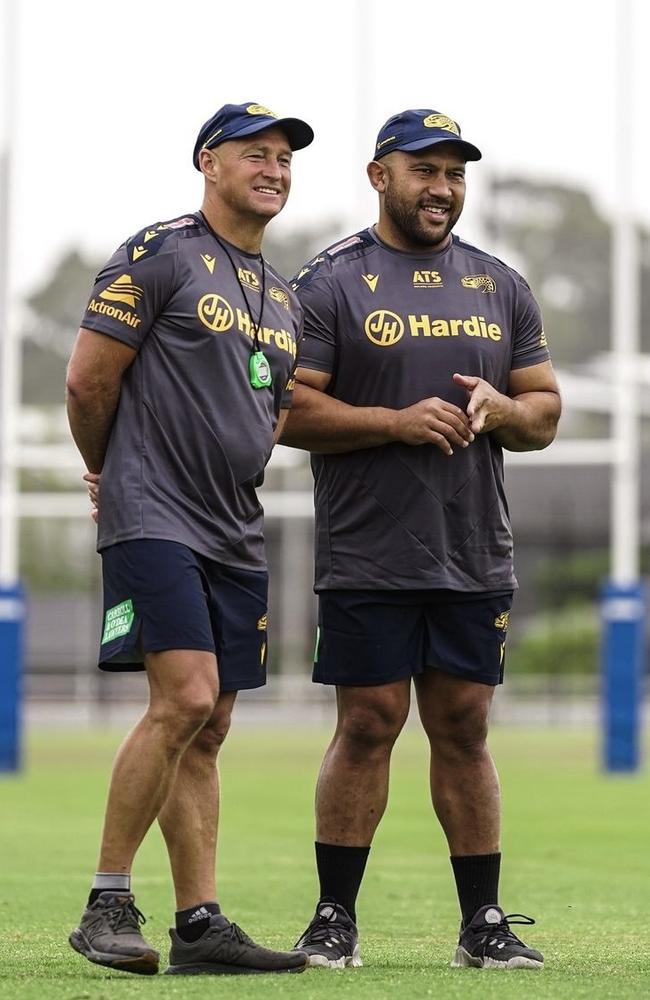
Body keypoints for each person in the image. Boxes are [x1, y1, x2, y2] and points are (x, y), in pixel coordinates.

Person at [281, 108, 561, 971]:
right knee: (368, 723)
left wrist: (505, 410)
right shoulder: (330, 280)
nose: (441, 188)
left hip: (474, 549)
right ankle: (334, 918)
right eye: (424, 171)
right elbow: (287, 409)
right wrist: (393, 423)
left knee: (466, 724)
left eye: (454, 174)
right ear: (379, 177)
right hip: (369, 549)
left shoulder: (500, 284)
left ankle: (483, 924)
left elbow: (543, 411)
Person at [65, 101, 314, 977]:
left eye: (285, 158)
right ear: (208, 162)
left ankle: (199, 924)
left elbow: (273, 409)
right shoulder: (159, 252)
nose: (275, 169)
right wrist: (110, 474)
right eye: (257, 153)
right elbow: (89, 380)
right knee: (183, 699)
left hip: (234, 533)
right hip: (154, 515)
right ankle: (106, 903)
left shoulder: (280, 295)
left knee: (207, 727)